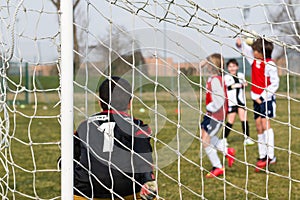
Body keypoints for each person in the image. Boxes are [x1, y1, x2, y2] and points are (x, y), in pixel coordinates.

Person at [73, 76, 157, 199]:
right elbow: (143, 159)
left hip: (86, 190)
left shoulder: (84, 126)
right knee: (147, 192)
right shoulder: (137, 126)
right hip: (125, 190)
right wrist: (149, 180)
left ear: (99, 101)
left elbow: (70, 157)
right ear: (130, 102)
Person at [236, 37, 279, 172]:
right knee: (258, 126)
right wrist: (240, 44)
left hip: (266, 99)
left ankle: (271, 156)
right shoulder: (254, 60)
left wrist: (262, 96)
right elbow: (245, 50)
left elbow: (274, 83)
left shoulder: (270, 64)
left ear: (263, 52)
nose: (253, 52)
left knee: (266, 125)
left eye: (256, 51)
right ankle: (262, 155)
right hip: (256, 100)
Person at [200, 53, 236, 178]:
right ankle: (227, 151)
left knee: (205, 140)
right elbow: (200, 66)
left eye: (209, 63)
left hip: (216, 115)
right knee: (204, 136)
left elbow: (220, 100)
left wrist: (210, 107)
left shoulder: (216, 80)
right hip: (211, 114)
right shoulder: (213, 77)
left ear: (212, 66)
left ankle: (218, 167)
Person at [224, 58, 254, 146]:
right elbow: (227, 88)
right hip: (231, 102)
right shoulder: (226, 77)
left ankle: (247, 138)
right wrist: (235, 85)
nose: (232, 68)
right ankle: (224, 139)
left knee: (244, 119)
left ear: (237, 67)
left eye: (234, 66)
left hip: (241, 101)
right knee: (230, 121)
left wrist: (242, 84)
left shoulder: (241, 75)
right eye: (230, 66)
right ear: (227, 68)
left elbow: (245, 84)